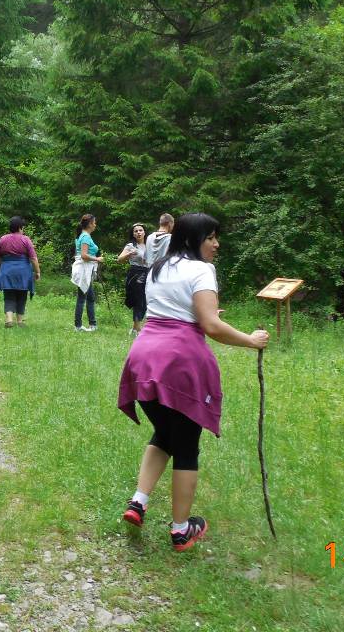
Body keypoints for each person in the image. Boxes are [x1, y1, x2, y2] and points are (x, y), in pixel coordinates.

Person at [117, 213, 268, 551]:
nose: (216, 244)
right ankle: (181, 530)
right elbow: (211, 326)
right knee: (186, 446)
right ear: (193, 239)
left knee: (164, 433)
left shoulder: (158, 268)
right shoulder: (202, 270)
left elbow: (176, 311)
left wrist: (204, 315)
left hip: (143, 359)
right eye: (210, 237)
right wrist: (250, 340)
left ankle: (138, 502)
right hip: (178, 364)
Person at [0, 215, 41, 327]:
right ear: (20, 227)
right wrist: (37, 271)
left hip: (7, 270)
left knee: (9, 295)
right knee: (22, 295)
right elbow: (33, 258)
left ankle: (9, 320)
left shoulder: (3, 239)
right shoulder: (25, 239)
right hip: (23, 272)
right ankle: (19, 321)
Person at [72, 213, 104, 331]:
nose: (95, 225)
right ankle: (78, 326)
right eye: (94, 223)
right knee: (82, 298)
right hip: (84, 270)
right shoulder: (85, 236)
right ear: (90, 224)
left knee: (90, 297)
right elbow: (84, 255)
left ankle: (92, 324)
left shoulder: (83, 235)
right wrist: (97, 259)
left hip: (86, 269)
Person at [117, 223, 149, 336]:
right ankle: (137, 329)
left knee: (146, 300)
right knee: (138, 300)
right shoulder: (131, 245)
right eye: (136, 231)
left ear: (144, 232)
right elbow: (119, 259)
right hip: (136, 273)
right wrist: (129, 253)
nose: (138, 232)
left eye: (140, 230)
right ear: (133, 234)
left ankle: (136, 328)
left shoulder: (149, 245)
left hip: (148, 273)